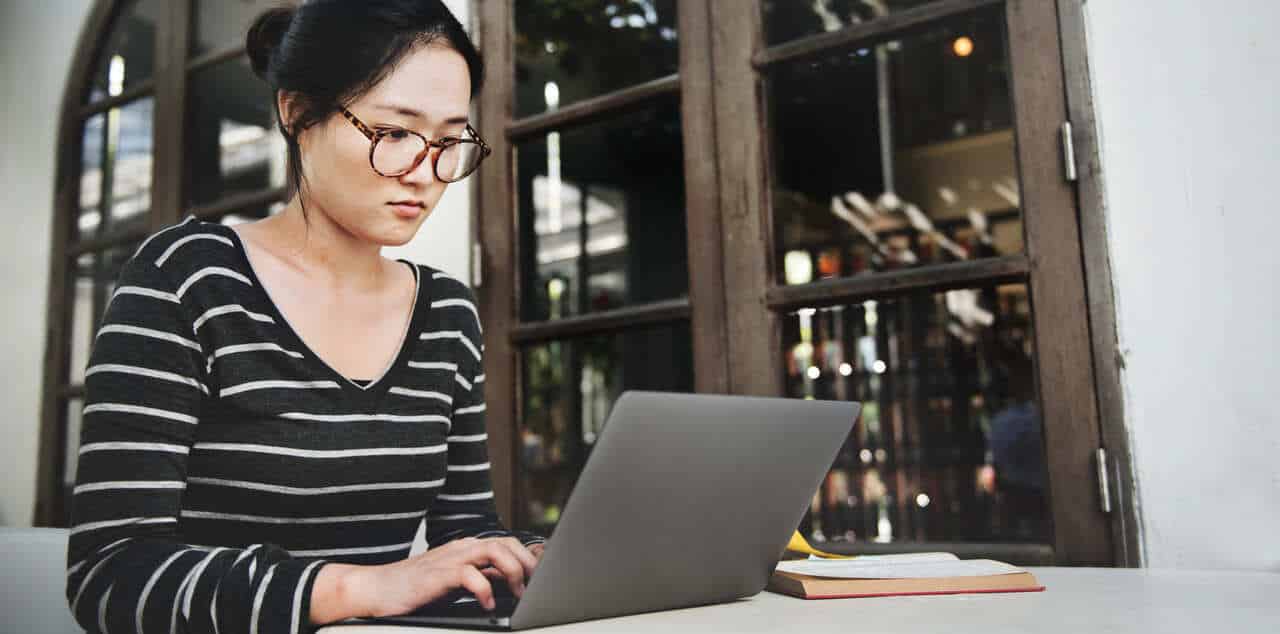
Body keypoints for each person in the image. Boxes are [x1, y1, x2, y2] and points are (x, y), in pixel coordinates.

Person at [63, 2, 544, 632]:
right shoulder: (188, 280)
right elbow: (109, 574)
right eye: (393, 133)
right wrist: (360, 587)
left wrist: (518, 559)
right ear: (296, 113)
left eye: (450, 140)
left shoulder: (447, 315)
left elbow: (465, 532)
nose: (427, 174)